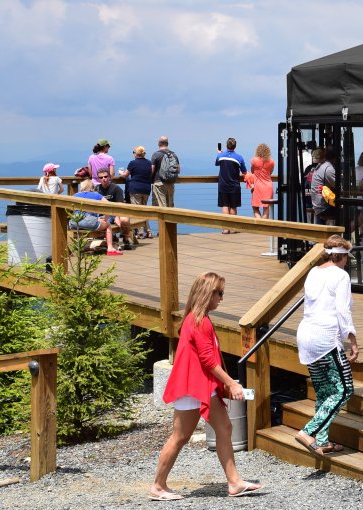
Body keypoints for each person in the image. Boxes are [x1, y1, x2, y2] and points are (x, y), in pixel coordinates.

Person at [153, 272, 263, 501]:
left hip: (201, 384)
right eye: (219, 293)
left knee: (224, 429)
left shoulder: (198, 319)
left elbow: (206, 360)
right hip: (191, 386)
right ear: (207, 294)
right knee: (180, 436)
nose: (222, 298)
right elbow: (208, 360)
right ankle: (158, 486)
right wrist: (230, 383)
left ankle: (234, 483)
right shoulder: (199, 321)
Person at [293, 235, 358, 456]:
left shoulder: (313, 272)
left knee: (324, 391)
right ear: (342, 256)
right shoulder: (341, 276)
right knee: (344, 389)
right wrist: (352, 338)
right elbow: (342, 310)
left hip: (306, 335)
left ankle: (322, 441)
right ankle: (308, 431)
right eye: (347, 257)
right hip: (325, 338)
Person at [70, 180, 122, 256]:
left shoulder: (75, 195)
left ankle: (73, 249)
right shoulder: (96, 195)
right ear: (92, 187)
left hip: (74, 222)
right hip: (89, 222)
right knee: (107, 224)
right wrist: (106, 219)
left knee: (90, 221)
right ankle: (110, 248)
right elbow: (109, 206)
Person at [95, 168, 135, 249]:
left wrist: (117, 216)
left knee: (125, 220)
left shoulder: (116, 188)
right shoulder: (97, 189)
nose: (104, 179)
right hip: (103, 215)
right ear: (98, 179)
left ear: (109, 177)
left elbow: (120, 205)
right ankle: (110, 240)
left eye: (106, 176)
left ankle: (126, 240)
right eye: (101, 177)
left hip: (115, 213)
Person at [215, 138, 247, 232]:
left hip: (223, 185)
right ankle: (233, 229)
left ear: (226, 145)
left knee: (225, 206)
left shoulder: (221, 156)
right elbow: (244, 171)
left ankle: (225, 229)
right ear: (235, 146)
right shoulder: (239, 157)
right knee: (233, 206)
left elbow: (217, 163)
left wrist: (219, 153)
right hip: (234, 185)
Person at [310, 147, 338, 225]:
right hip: (324, 207)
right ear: (335, 158)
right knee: (352, 212)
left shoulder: (322, 166)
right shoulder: (328, 168)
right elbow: (339, 187)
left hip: (317, 206)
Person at [151, 135, 181, 208]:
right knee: (170, 206)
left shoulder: (156, 154)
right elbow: (178, 170)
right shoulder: (173, 155)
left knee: (161, 206)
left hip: (159, 183)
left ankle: (163, 220)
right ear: (167, 143)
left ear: (159, 143)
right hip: (171, 183)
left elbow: (151, 170)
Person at [249, 144, 275, 219]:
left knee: (255, 207)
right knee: (266, 207)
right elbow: (270, 172)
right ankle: (264, 228)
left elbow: (252, 171)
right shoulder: (272, 162)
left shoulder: (254, 160)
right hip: (268, 186)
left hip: (257, 186)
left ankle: (259, 223)